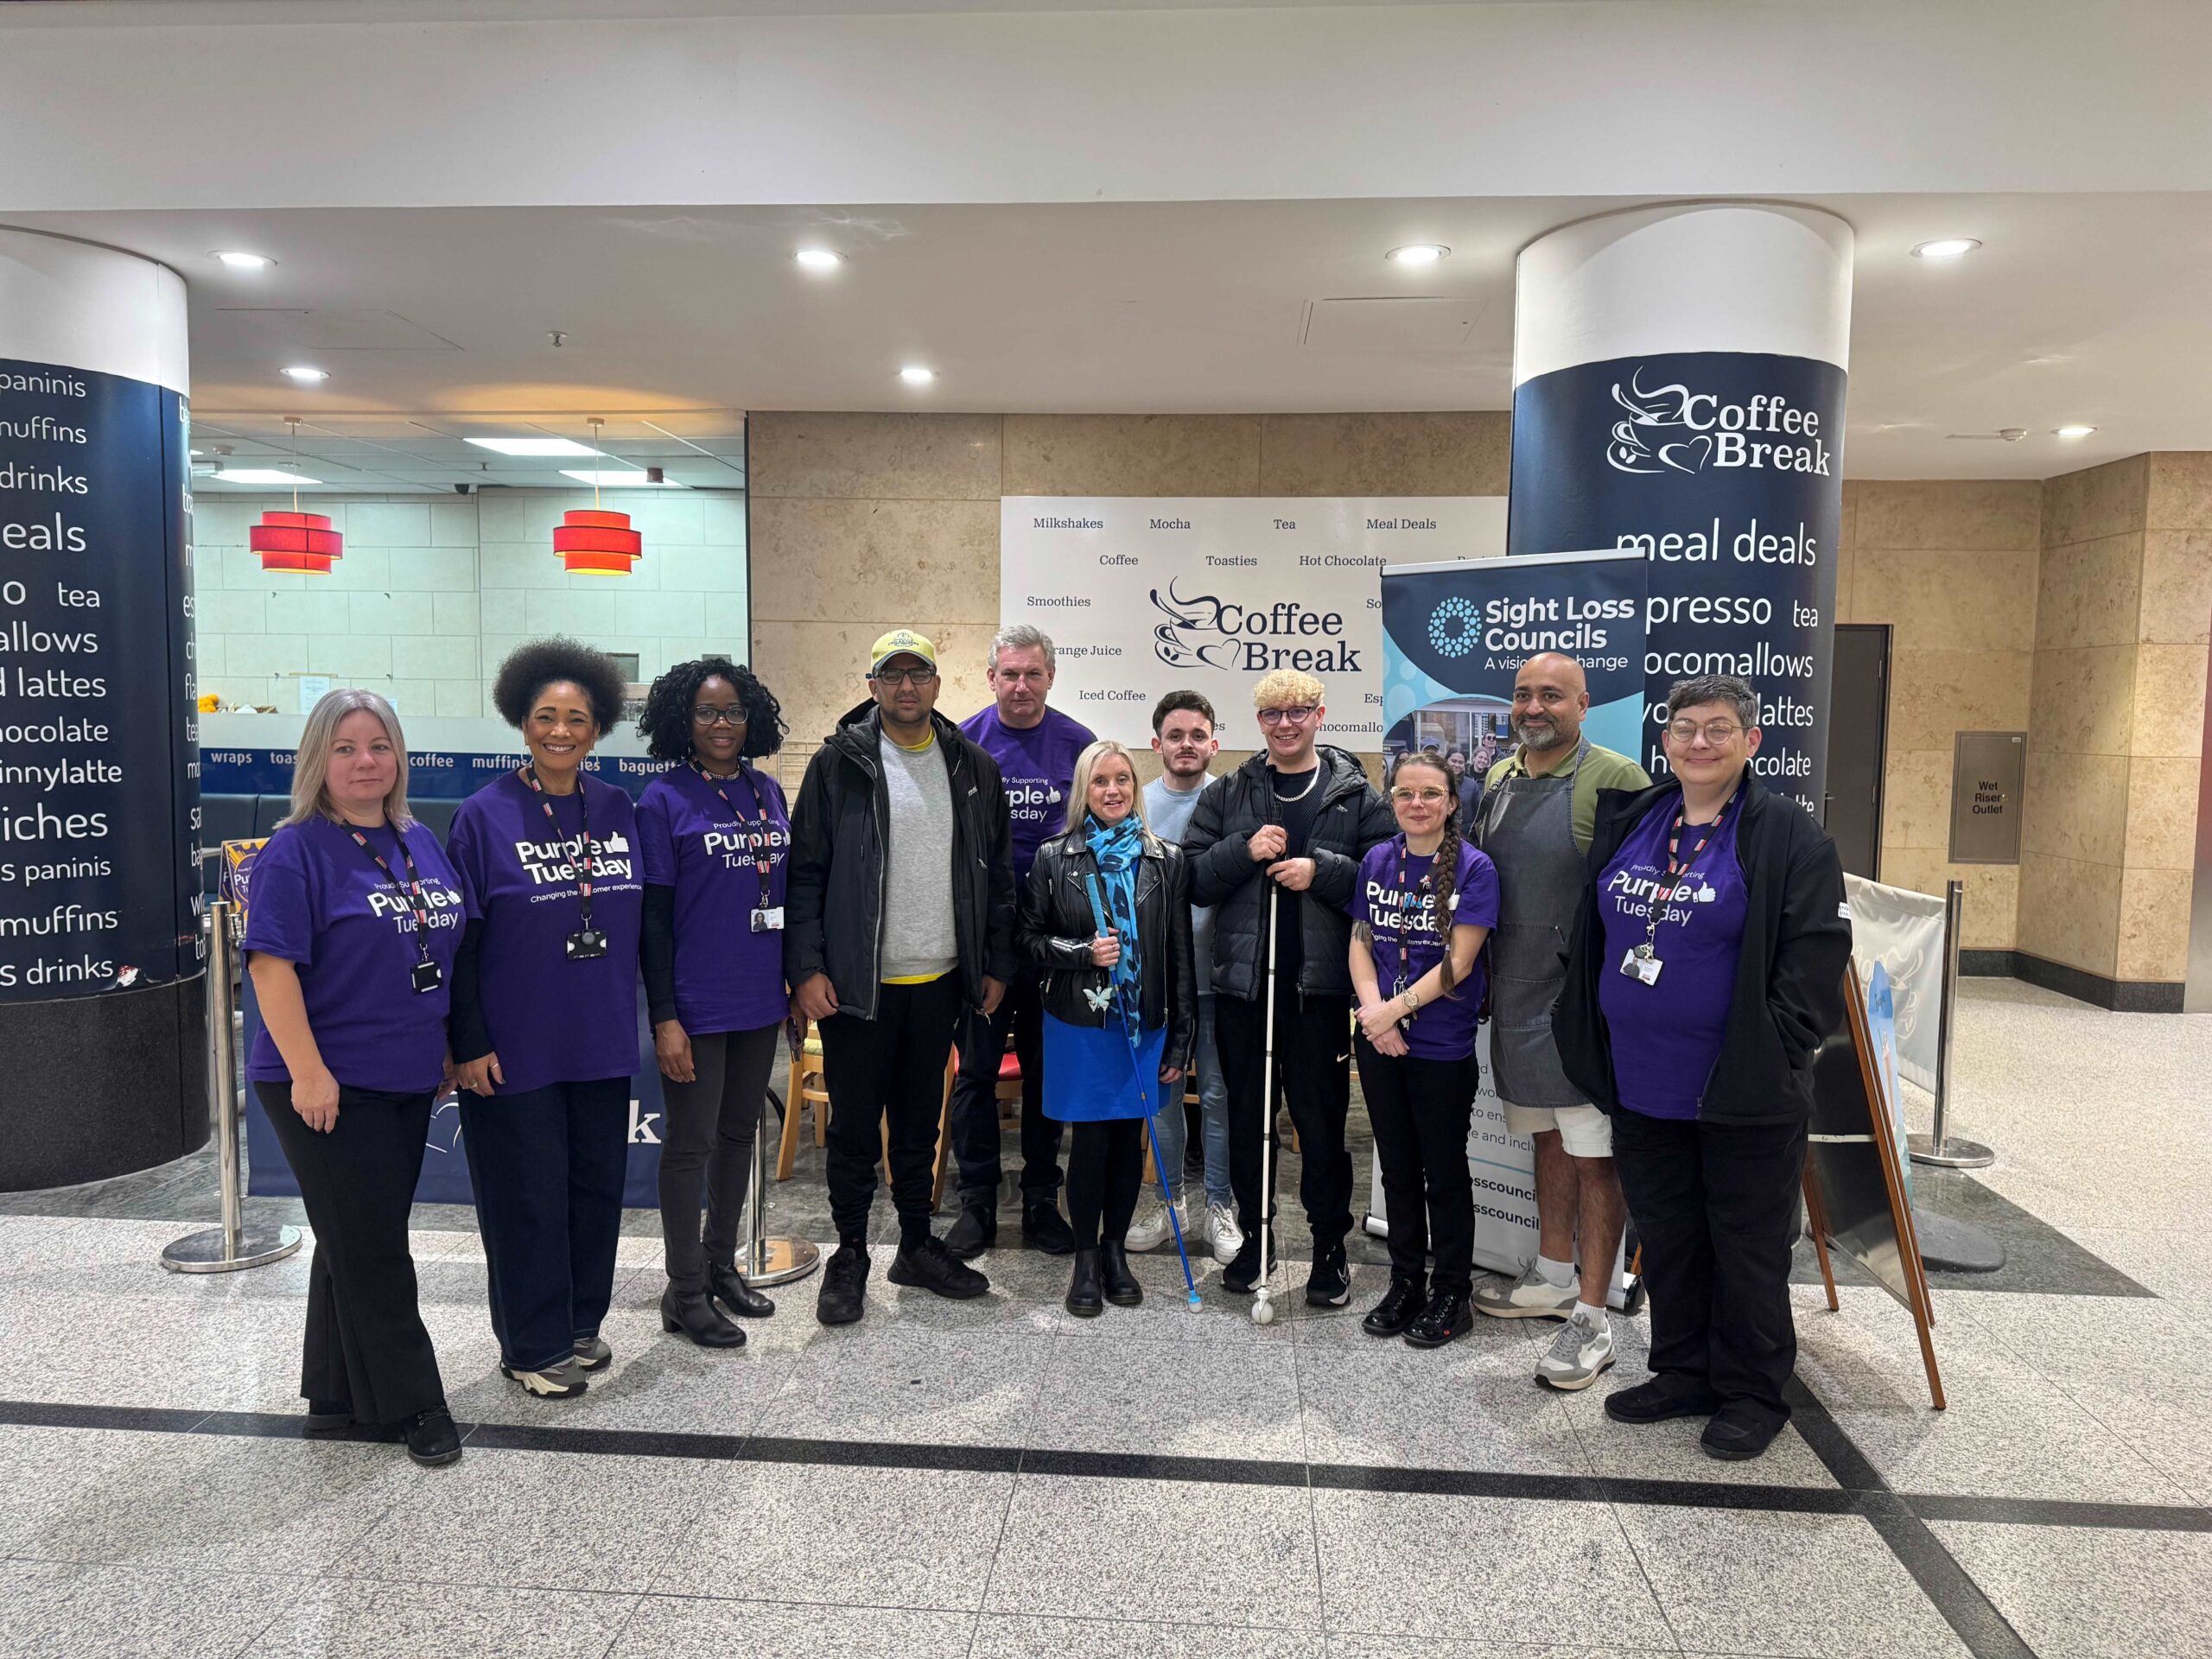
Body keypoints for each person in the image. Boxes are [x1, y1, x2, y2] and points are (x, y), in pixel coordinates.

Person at [1554, 674, 1850, 1459]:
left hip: (1740, 1091)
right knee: (1672, 1236)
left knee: (1745, 1247)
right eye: (1686, 728)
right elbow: (1598, 928)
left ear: (1751, 742)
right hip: (1642, 1084)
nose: (1699, 743)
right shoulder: (1639, 819)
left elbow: (1816, 956)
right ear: (1667, 740)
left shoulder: (1787, 834)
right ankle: (1683, 1369)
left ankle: (1753, 1390)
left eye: (1719, 728)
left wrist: (1780, 1045)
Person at [243, 689, 465, 1468]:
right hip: (325, 1078)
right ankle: (416, 1404)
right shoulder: (295, 849)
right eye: (344, 748)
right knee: (372, 1248)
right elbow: (271, 968)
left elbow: (433, 955)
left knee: (353, 1237)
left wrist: (439, 1047)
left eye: (378, 745)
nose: (365, 761)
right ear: (318, 761)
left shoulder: (418, 841)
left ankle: (336, 1394)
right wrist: (309, 1072)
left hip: (405, 1076)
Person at [785, 628, 1017, 1325]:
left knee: (919, 1127)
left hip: (942, 980)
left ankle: (915, 1246)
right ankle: (849, 1253)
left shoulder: (972, 766)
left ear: (939, 686)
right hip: (859, 987)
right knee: (855, 1129)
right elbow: (805, 876)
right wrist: (806, 968)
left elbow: (998, 877)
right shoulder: (838, 766)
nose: (907, 687)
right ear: (873, 685)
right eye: (894, 676)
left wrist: (997, 963)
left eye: (920, 675)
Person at [448, 639, 644, 1399]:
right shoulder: (482, 816)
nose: (560, 731)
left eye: (577, 719)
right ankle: (529, 1344)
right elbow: (457, 940)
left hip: (597, 1039)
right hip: (512, 1047)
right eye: (545, 717)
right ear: (521, 723)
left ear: (597, 730)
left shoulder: (618, 806)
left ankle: (577, 1323)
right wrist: (466, 1042)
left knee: (595, 1191)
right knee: (525, 1198)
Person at [1184, 670, 1394, 1304]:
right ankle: (1257, 1241)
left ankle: (1329, 1250)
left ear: (1319, 715)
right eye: (1273, 714)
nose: (1286, 724)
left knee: (1322, 1124)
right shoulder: (1231, 791)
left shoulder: (1356, 795)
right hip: (1246, 991)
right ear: (1260, 722)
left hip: (1319, 991)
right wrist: (1243, 851)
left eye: (1298, 712)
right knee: (1250, 1122)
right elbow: (1191, 877)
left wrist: (1322, 870)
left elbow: (1387, 879)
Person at [1471, 652, 1651, 1393]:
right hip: (1513, 995)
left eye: (1551, 695)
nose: (1533, 707)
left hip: (1580, 1003)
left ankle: (1593, 1315)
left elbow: (1643, 896)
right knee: (1544, 1134)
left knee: (1594, 1154)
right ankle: (1549, 1273)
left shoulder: (1617, 779)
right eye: (1522, 695)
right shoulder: (1498, 778)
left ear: (1584, 704)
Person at [636, 656, 790, 1348]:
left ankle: (720, 1265)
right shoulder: (662, 800)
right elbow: (655, 921)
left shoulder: (768, 792)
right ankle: (684, 1290)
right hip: (696, 1003)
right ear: (683, 721)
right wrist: (664, 1014)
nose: (722, 723)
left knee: (738, 1135)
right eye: (707, 712)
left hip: (760, 997)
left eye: (732, 711)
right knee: (692, 1144)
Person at [1020, 741, 1195, 1315]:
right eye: (1101, 781)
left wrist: (1182, 1035)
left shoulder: (1166, 859)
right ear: (1084, 790)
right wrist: (1078, 951)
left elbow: (1179, 955)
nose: (1114, 790)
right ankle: (1086, 1261)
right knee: (1091, 1143)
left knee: (1127, 1142)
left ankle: (1117, 1254)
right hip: (1078, 1022)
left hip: (1143, 1022)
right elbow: (1027, 941)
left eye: (1123, 779)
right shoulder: (1054, 857)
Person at [945, 626, 1096, 1259]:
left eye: (1033, 674)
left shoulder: (1078, 744)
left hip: (1055, 937)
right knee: (977, 1072)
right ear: (991, 678)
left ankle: (1040, 1198)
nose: (1021, 685)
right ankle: (977, 1201)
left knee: (1046, 1072)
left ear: (1051, 677)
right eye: (1009, 674)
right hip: (982, 940)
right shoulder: (960, 743)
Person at [1349, 751, 1498, 1347]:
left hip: (1440, 1046)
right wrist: (1371, 1015)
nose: (1417, 804)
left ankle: (1451, 1291)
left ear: (1453, 801)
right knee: (1398, 1169)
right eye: (1406, 793)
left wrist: (1393, 1010)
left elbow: (1459, 963)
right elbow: (1360, 943)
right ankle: (1406, 1280)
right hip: (1379, 1040)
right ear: (1392, 800)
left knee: (1443, 1171)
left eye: (1430, 793)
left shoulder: (1475, 868)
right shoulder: (1377, 859)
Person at [1135, 690, 1239, 1263]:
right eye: (1175, 736)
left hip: (1220, 977)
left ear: (1213, 743)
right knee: (1163, 1099)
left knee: (1220, 1096)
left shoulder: (1233, 802)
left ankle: (1221, 1208)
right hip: (1160, 983)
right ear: (1157, 745)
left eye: (1197, 735)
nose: (1186, 745)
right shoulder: (1139, 806)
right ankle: (1169, 1203)